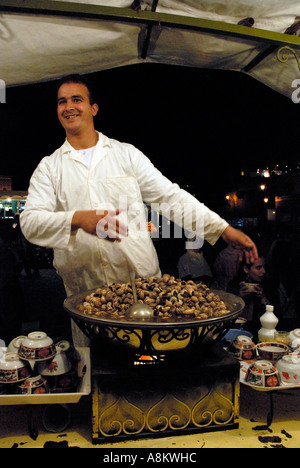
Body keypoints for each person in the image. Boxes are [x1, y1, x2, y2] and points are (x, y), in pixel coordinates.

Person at [20, 74, 258, 345]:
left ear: (94, 108)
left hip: (142, 290)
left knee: (148, 358)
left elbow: (170, 197)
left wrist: (222, 229)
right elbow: (30, 222)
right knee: (96, 370)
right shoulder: (50, 167)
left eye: (77, 99)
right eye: (62, 101)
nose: (69, 107)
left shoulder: (126, 155)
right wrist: (77, 219)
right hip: (86, 296)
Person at [227, 253, 277, 340]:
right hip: (237, 333)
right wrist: (239, 297)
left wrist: (263, 298)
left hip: (260, 333)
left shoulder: (268, 286)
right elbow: (227, 312)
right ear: (246, 269)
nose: (263, 271)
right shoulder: (235, 285)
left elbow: (276, 316)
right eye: (258, 268)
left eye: (264, 267)